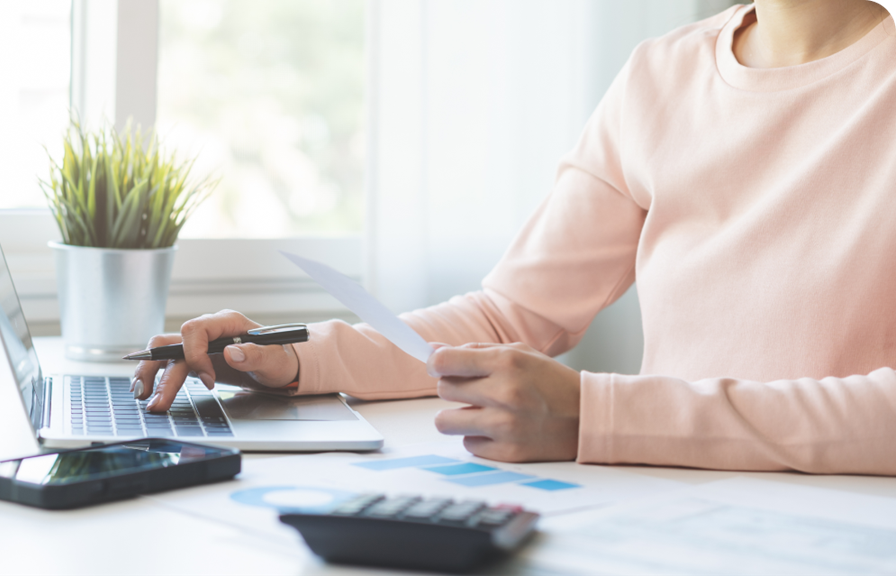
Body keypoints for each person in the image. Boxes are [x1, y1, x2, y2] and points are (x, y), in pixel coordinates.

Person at [132, 0, 896, 474]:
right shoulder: (661, 76)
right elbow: (510, 317)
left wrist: (601, 416)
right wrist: (296, 357)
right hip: (666, 507)